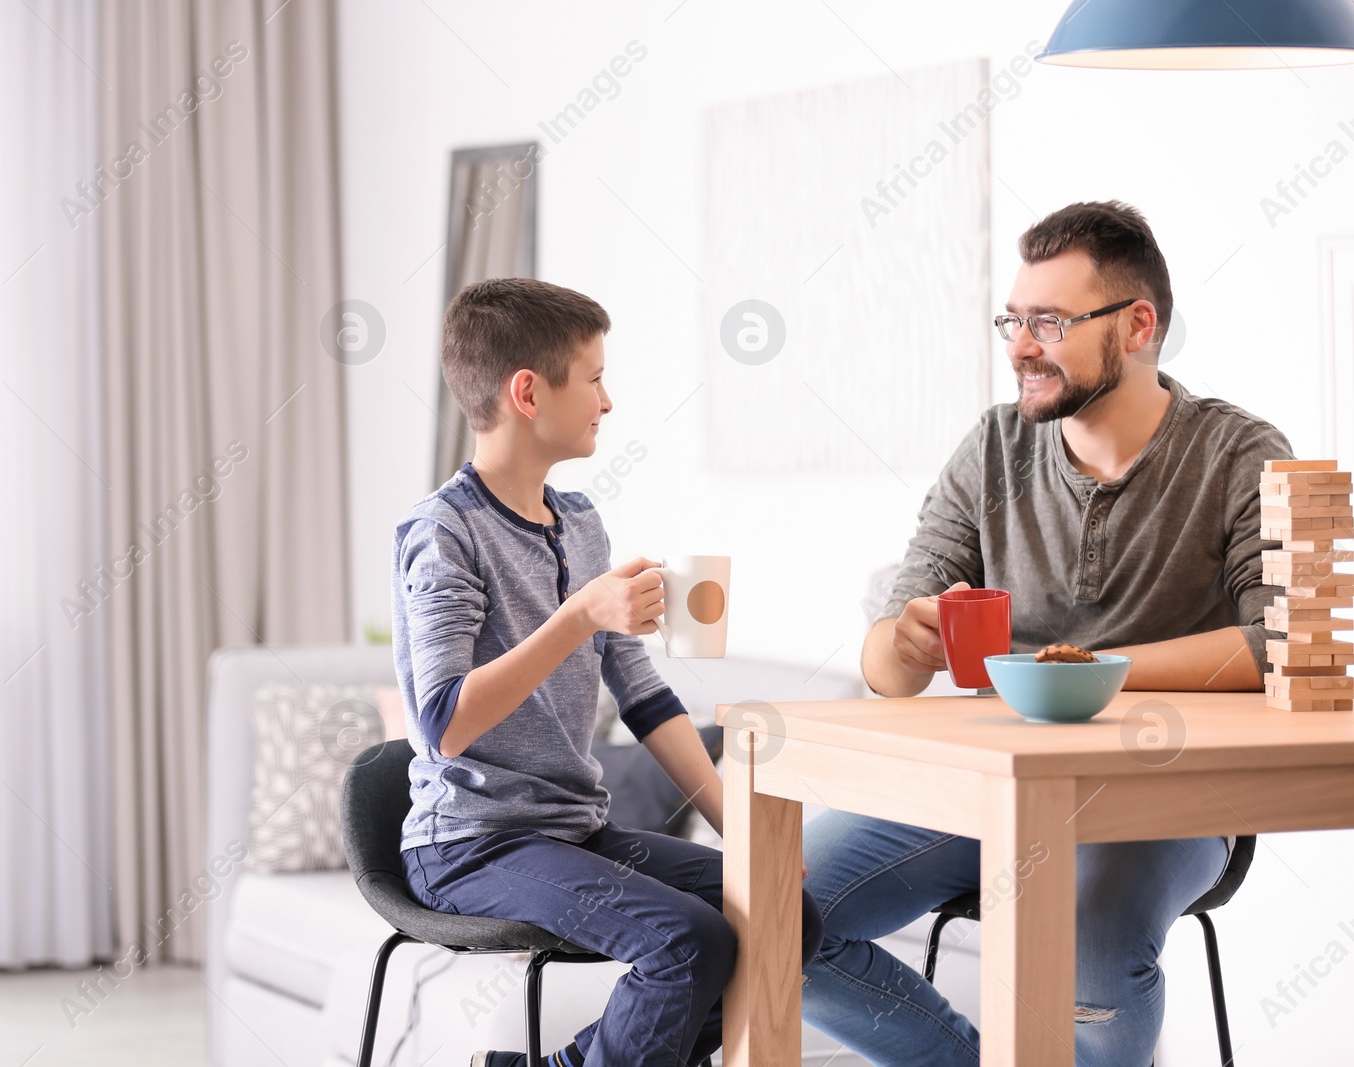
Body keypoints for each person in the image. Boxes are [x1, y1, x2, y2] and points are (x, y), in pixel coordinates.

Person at [800, 201, 1290, 1066]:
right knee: (775, 909)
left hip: (1169, 791)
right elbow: (891, 654)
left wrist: (1088, 671)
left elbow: (1275, 643)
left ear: (1139, 325)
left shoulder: (1238, 453)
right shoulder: (992, 448)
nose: (1021, 345)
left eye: (1051, 322)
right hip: (992, 784)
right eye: (1014, 321)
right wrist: (900, 644)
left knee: (1089, 936)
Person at [392, 277, 823, 1067]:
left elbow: (645, 693)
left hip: (572, 831)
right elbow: (443, 722)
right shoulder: (444, 534)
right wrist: (579, 617)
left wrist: (740, 827)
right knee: (686, 940)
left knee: (786, 909)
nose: (608, 401)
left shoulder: (581, 523)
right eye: (593, 378)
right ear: (528, 392)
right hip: (471, 844)